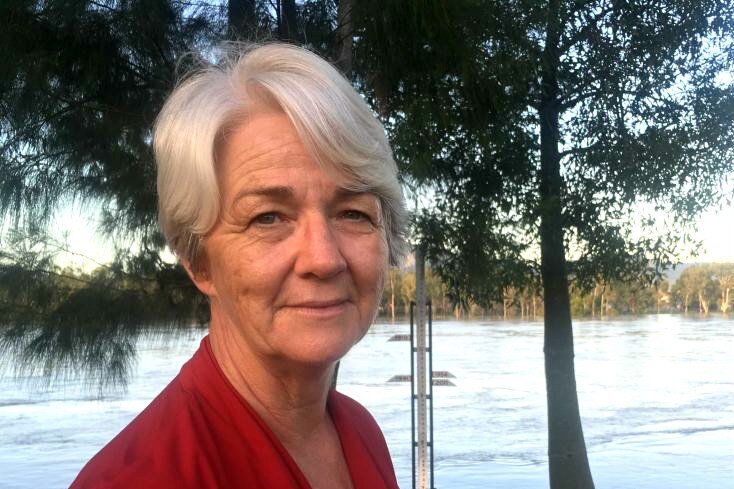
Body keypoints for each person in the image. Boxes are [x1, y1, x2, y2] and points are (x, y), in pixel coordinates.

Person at [70, 43, 407, 489]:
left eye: (353, 213)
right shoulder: (142, 478)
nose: (324, 259)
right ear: (198, 261)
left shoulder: (360, 433)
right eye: (268, 217)